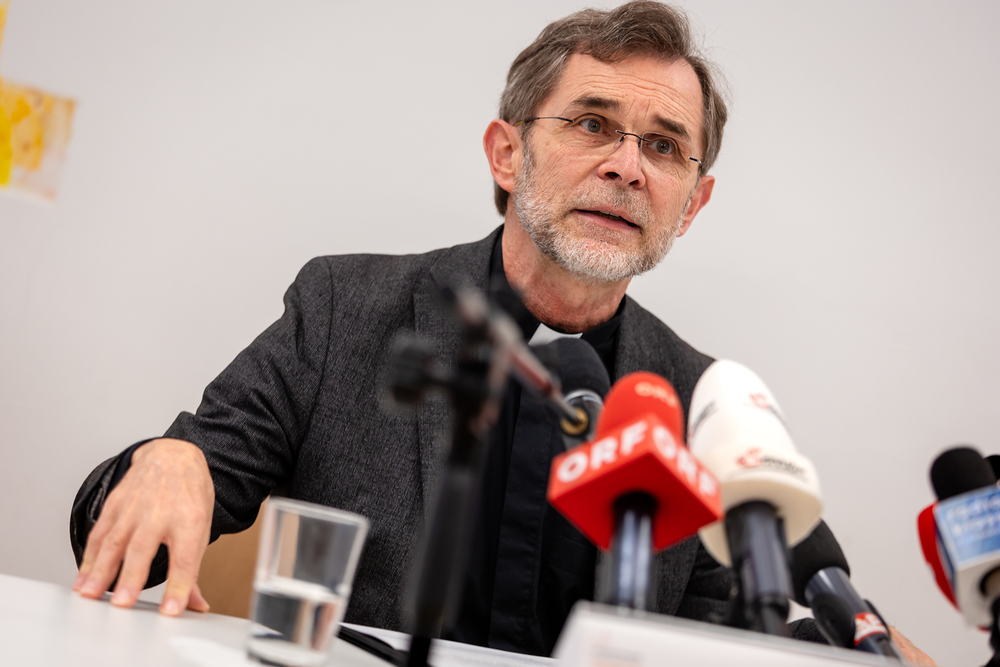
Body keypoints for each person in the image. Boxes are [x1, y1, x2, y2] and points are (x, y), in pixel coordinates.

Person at [69, 2, 935, 663]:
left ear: (693, 204)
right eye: (592, 124)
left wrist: (842, 641)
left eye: (666, 147)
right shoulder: (345, 307)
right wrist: (169, 460)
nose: (627, 166)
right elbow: (120, 527)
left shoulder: (702, 402)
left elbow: (705, 638)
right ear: (506, 153)